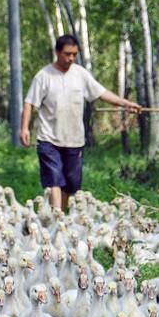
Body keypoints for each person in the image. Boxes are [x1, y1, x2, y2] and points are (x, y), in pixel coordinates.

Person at [20, 34, 142, 212]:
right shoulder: (44, 76)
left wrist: (125, 104)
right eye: (67, 54)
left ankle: (57, 214)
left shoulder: (80, 74)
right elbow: (30, 102)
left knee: (71, 184)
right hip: (48, 138)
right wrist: (24, 128)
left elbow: (101, 93)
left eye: (74, 54)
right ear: (57, 52)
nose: (70, 58)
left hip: (74, 139)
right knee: (54, 179)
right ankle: (57, 216)